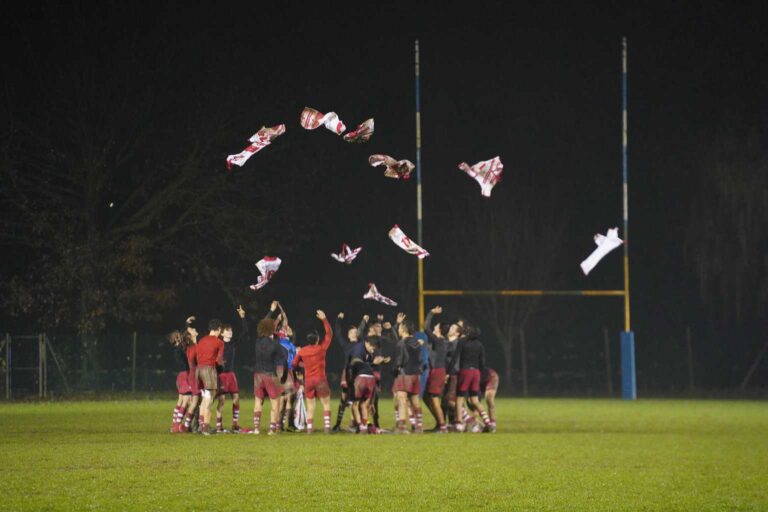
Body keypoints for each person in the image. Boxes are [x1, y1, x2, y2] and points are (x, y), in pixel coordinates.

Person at [291, 310, 332, 433]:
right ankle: (327, 428)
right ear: (317, 339)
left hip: (308, 381)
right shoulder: (321, 348)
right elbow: (329, 334)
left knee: (310, 405)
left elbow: (293, 364)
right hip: (320, 380)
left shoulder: (302, 351)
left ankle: (309, 429)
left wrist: (304, 365)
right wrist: (324, 319)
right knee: (325, 403)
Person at [447, 324, 492, 432]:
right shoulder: (480, 345)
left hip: (465, 372)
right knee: (475, 400)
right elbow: (482, 362)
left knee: (459, 398)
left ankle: (458, 423)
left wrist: (448, 372)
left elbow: (455, 357)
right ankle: (488, 422)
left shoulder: (462, 342)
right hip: (476, 372)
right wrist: (481, 374)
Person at [252, 315, 287, 435]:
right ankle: (272, 429)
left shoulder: (257, 342)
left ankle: (256, 428)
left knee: (258, 401)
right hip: (270, 375)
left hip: (257, 375)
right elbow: (284, 360)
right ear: (272, 329)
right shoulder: (275, 345)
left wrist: (272, 314)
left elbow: (264, 323)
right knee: (275, 402)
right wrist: (283, 377)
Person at [391, 315, 427, 434]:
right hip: (415, 375)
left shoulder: (402, 343)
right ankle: (419, 426)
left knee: (402, 400)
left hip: (404, 374)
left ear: (404, 329)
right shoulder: (417, 342)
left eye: (400, 327)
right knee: (415, 401)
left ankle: (401, 427)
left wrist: (394, 371)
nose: (398, 330)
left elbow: (399, 361)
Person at [215, 306, 247, 433]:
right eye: (227, 330)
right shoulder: (217, 344)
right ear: (222, 333)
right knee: (221, 400)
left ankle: (235, 424)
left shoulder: (233, 343)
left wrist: (242, 317)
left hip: (231, 375)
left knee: (236, 399)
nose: (230, 332)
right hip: (221, 375)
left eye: (231, 330)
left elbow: (245, 331)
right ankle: (219, 426)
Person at [194, 319, 224, 435]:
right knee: (209, 398)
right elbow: (219, 360)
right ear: (219, 329)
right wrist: (220, 369)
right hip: (209, 369)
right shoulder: (219, 342)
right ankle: (205, 427)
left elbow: (197, 356)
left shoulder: (201, 340)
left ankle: (201, 425)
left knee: (204, 396)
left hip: (199, 369)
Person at [331, 311, 360, 432]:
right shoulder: (346, 345)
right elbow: (337, 333)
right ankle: (337, 424)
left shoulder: (361, 345)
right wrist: (338, 319)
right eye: (352, 332)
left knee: (356, 401)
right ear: (348, 335)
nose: (354, 333)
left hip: (358, 374)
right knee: (343, 399)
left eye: (356, 332)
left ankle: (355, 424)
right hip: (347, 373)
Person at [349, 336, 382, 433]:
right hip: (370, 379)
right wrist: (372, 363)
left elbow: (357, 365)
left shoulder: (365, 350)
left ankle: (361, 426)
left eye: (374, 348)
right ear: (366, 343)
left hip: (362, 378)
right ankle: (364, 425)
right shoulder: (358, 350)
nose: (373, 349)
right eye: (372, 347)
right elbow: (355, 363)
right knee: (363, 404)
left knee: (355, 404)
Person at [423, 306, 449, 433]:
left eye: (436, 326)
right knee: (426, 397)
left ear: (439, 330)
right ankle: (440, 424)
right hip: (438, 371)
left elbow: (426, 327)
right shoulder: (442, 341)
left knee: (434, 399)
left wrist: (431, 313)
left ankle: (442, 426)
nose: (434, 327)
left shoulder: (439, 341)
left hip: (437, 371)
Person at [169, 327, 192, 433]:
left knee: (181, 400)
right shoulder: (179, 349)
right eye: (179, 336)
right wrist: (186, 325)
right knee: (186, 400)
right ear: (177, 339)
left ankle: (174, 423)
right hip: (184, 375)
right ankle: (177, 425)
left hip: (180, 376)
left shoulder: (177, 349)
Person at [181, 317, 201, 433]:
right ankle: (187, 425)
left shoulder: (192, 346)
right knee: (195, 401)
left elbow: (185, 333)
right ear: (190, 336)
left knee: (197, 401)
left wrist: (186, 323)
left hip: (195, 375)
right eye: (192, 329)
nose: (194, 329)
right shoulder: (193, 348)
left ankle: (191, 424)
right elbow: (197, 361)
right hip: (195, 376)